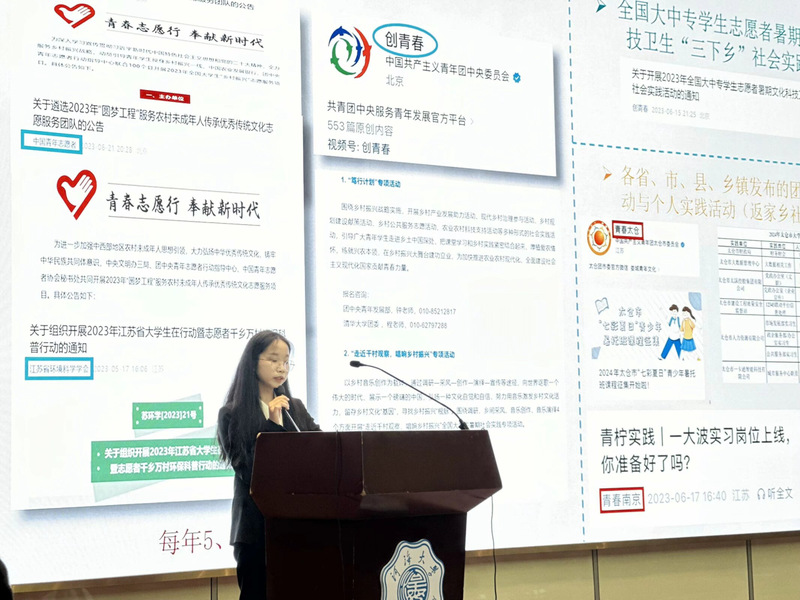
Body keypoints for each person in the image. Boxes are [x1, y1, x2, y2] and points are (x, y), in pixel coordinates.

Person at [217, 330, 320, 600]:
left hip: (297, 527)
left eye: (286, 361)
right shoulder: (231, 414)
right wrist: (272, 424)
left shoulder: (295, 408)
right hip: (256, 531)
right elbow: (250, 471)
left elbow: (322, 451)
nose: (281, 368)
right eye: (273, 360)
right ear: (253, 362)